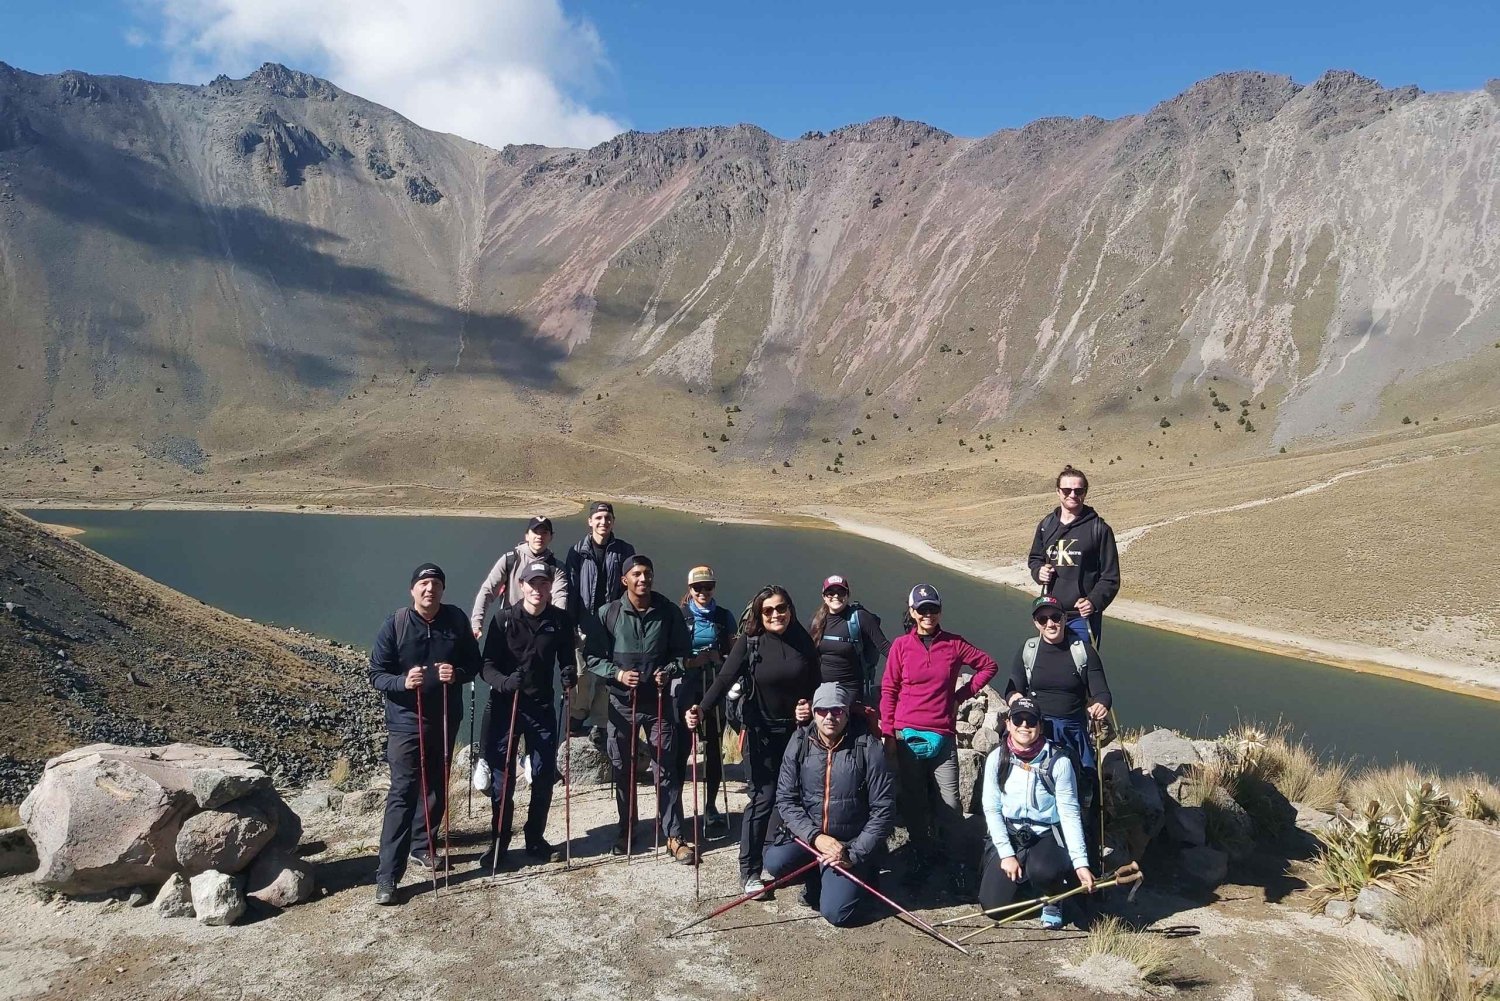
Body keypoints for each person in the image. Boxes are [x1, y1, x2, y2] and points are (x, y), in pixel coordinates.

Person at [687, 584, 818, 897]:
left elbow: (816, 683)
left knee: (794, 796)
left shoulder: (803, 640)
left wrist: (809, 705)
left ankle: (783, 856)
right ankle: (750, 871)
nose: (776, 615)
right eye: (769, 610)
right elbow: (724, 679)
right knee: (763, 797)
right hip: (759, 733)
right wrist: (702, 711)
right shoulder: (751, 641)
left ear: (791, 609)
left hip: (796, 734)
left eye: (781, 608)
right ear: (760, 614)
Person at [366, 563, 481, 905]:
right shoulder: (396, 624)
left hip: (445, 719)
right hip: (405, 722)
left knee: (435, 785)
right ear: (412, 590)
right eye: (423, 584)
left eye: (436, 584)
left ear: (443, 590)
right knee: (403, 793)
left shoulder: (456, 620)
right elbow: (376, 673)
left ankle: (424, 845)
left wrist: (457, 673)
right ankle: (388, 876)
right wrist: (402, 682)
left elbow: (474, 665)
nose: (430, 589)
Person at [880, 583, 998, 887]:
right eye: (922, 610)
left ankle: (957, 862)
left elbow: (988, 665)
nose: (928, 614)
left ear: (940, 611)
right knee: (915, 801)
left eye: (933, 608)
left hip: (942, 734)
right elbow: (889, 690)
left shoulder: (954, 644)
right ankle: (922, 854)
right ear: (912, 612)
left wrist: (960, 694)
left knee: (951, 803)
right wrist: (888, 734)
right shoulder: (900, 647)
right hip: (907, 736)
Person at [583, 554, 697, 863]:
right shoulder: (608, 614)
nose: (643, 579)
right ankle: (627, 827)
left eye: (647, 573)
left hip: (659, 703)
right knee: (623, 768)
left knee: (666, 769)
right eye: (636, 574)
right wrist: (617, 674)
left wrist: (668, 671)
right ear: (625, 580)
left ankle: (673, 835)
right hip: (622, 704)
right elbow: (592, 657)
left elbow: (682, 655)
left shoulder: (669, 612)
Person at [765, 682, 896, 926]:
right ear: (813, 712)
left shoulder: (868, 747)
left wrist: (854, 854)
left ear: (847, 712)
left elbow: (884, 810)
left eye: (837, 711)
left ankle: (864, 876)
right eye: (822, 710)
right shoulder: (799, 742)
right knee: (774, 861)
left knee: (837, 914)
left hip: (851, 843)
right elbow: (786, 799)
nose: (829, 717)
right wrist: (815, 837)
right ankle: (818, 876)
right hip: (814, 839)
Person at [478, 560, 576, 869]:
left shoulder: (560, 621)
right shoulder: (503, 620)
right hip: (506, 706)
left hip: (541, 707)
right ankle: (499, 844)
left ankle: (535, 839)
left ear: (550, 587)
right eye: (532, 583)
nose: (538, 589)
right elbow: (486, 666)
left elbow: (566, 659)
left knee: (544, 775)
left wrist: (569, 674)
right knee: (501, 779)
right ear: (522, 586)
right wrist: (505, 683)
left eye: (544, 583)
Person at [1005, 594, 1112, 868]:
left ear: (1065, 618)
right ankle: (1036, 861)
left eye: (1055, 617)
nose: (1050, 623)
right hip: (1037, 735)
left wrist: (1100, 704)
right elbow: (1013, 686)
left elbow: (1101, 692)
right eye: (1043, 619)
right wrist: (1014, 698)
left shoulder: (1082, 651)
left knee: (1080, 802)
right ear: (1035, 623)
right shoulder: (1028, 650)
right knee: (1038, 800)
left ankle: (1084, 867)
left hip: (1073, 737)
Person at [979, 696, 1095, 930]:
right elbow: (991, 808)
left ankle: (1053, 897)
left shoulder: (1058, 762)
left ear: (1040, 726)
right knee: (992, 907)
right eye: (1018, 719)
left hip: (1046, 834)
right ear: (1008, 724)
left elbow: (1070, 814)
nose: (1024, 726)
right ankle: (1031, 889)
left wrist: (1081, 864)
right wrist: (1006, 854)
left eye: (1031, 721)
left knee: (1044, 870)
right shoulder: (997, 758)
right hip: (1012, 832)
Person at [1028, 465, 1120, 648]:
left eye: (1078, 490)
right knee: (1050, 667)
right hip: (1049, 615)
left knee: (1082, 667)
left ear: (1085, 493)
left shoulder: (1099, 529)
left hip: (1081, 617)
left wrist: (1093, 602)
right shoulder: (1047, 525)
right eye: (1066, 490)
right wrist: (1038, 572)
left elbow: (1110, 577)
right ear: (1058, 491)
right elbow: (1035, 558)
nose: (1072, 494)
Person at [566, 501, 636, 736]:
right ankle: (576, 718)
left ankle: (600, 723)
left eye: (607, 518)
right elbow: (571, 591)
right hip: (584, 625)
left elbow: (632, 588)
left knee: (607, 675)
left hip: (613, 626)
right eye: (598, 518)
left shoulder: (625, 550)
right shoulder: (577, 551)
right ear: (590, 521)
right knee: (582, 673)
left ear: (613, 521)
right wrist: (571, 625)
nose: (603, 522)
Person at [678, 565, 736, 837]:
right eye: (697, 588)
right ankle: (676, 810)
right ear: (689, 590)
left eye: (708, 587)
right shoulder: (678, 616)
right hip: (687, 688)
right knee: (681, 747)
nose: (703, 592)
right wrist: (690, 661)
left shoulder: (725, 617)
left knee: (713, 747)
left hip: (713, 687)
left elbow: (735, 655)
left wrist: (718, 659)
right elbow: (670, 654)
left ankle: (710, 805)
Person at [469, 516, 571, 637]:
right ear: (527, 536)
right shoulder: (510, 560)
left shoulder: (557, 567)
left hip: (543, 629)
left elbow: (560, 596)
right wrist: (476, 623)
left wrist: (560, 624)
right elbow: (488, 590)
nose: (539, 536)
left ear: (551, 537)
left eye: (544, 532)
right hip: (512, 626)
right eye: (535, 532)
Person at [809, 574, 890, 707]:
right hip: (822, 689)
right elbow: (806, 652)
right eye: (830, 593)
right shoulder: (817, 622)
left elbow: (885, 647)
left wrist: (912, 667)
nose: (836, 596)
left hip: (850, 690)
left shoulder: (861, 617)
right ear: (824, 596)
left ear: (847, 595)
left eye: (841, 592)